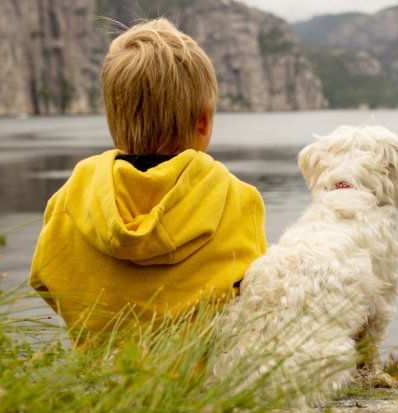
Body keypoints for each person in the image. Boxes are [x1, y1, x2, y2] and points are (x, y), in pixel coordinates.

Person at [29, 18, 267, 344]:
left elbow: (44, 278)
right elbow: (254, 292)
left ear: (112, 118)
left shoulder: (71, 197)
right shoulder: (239, 199)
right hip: (205, 386)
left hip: (100, 382)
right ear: (204, 121)